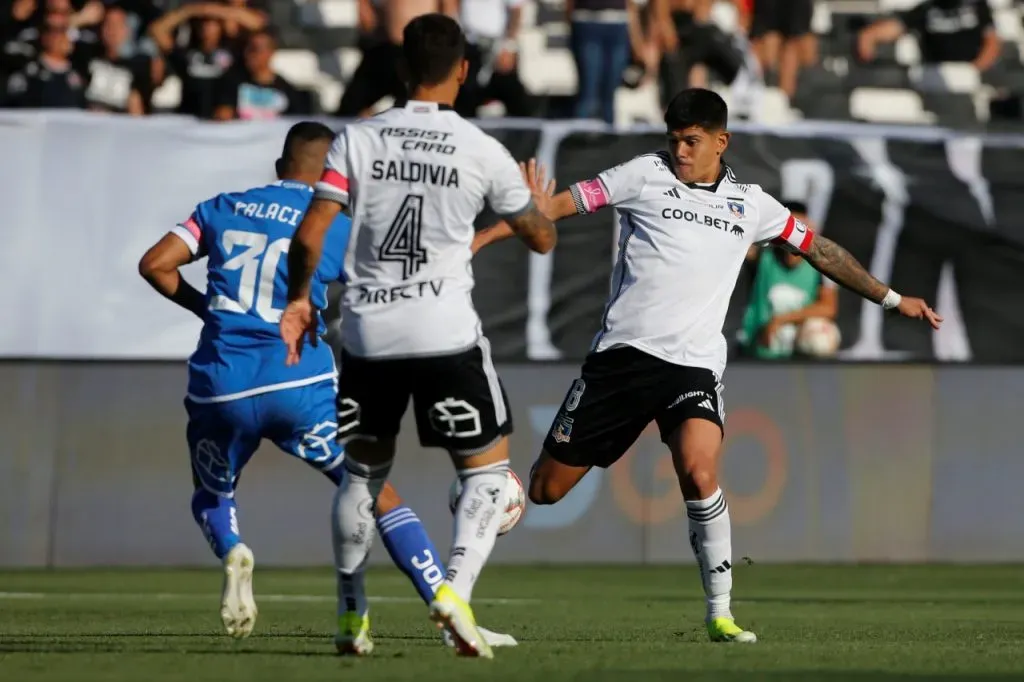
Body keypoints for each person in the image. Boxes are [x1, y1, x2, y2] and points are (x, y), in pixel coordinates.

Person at [508, 88, 942, 643]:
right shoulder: (641, 174)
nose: (681, 151)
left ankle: (720, 613)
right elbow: (559, 207)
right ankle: (494, 487)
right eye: (674, 141)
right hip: (622, 360)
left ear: (721, 141)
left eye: (691, 141)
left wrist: (891, 299)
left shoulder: (752, 204)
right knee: (546, 491)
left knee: (700, 471)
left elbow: (821, 252)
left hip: (692, 367)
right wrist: (533, 205)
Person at [137, 121, 516, 650]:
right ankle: (449, 607)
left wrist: (210, 310)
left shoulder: (221, 206)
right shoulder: (334, 222)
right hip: (300, 382)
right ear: (331, 174)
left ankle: (234, 550)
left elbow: (154, 265)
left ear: (279, 166)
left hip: (220, 383)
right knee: (375, 492)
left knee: (212, 493)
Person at [280, 14, 556, 659]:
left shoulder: (356, 140)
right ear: (464, 71)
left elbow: (311, 231)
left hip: (370, 334)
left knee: (362, 479)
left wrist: (299, 299)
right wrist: (532, 208)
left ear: (402, 70)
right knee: (489, 473)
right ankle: (453, 592)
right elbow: (542, 238)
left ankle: (352, 616)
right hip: (445, 332)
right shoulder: (481, 149)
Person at [739, 201, 839, 359]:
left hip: (798, 355)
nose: (794, 237)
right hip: (760, 352)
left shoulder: (820, 266)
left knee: (821, 337)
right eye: (789, 228)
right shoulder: (762, 257)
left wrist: (780, 320)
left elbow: (828, 308)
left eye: (800, 227)